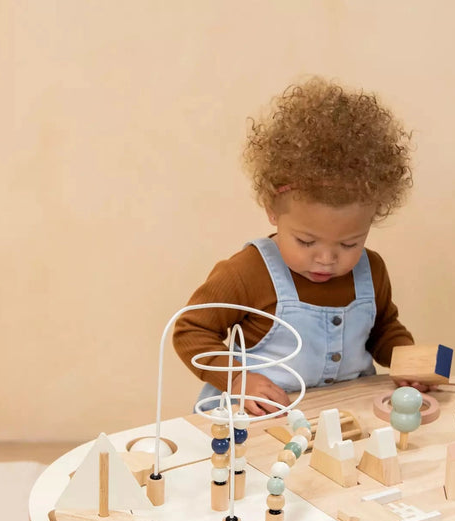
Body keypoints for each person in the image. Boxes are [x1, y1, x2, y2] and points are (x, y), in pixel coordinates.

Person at [173, 77, 424, 415]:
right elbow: (191, 329)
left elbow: (384, 329)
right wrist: (237, 378)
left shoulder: (371, 271)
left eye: (349, 243)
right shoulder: (247, 272)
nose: (326, 258)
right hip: (260, 418)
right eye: (306, 241)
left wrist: (408, 360)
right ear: (272, 211)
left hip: (347, 414)